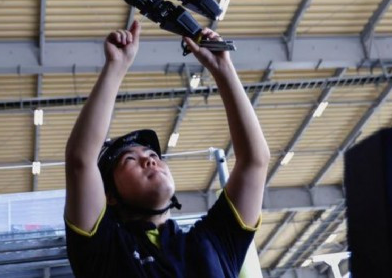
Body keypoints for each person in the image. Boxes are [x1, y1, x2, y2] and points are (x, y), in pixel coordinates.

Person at [64, 20, 271, 277]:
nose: (149, 161)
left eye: (152, 155)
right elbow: (80, 161)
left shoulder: (212, 241)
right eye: (130, 159)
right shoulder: (104, 249)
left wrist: (223, 68)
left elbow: (255, 161)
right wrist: (116, 67)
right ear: (110, 196)